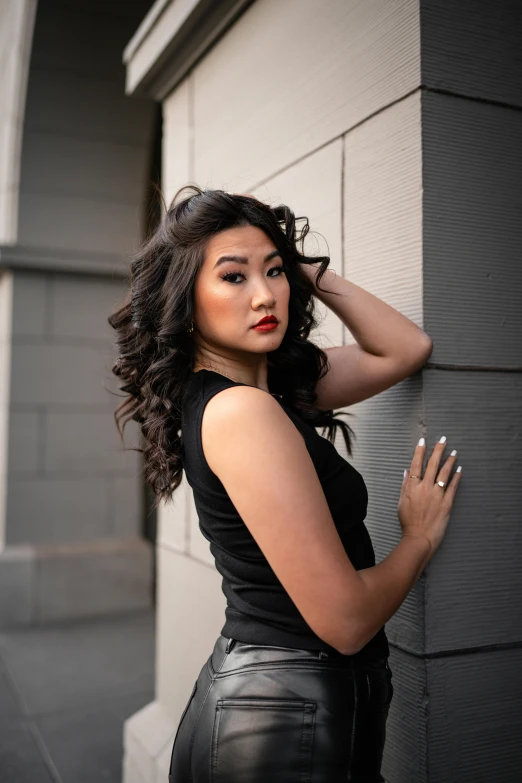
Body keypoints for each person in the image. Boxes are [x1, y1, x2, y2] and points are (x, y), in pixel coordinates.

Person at [108, 186, 462, 782]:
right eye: (233, 277)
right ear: (184, 298)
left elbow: (404, 349)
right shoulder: (242, 412)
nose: (265, 294)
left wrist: (302, 268)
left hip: (271, 706)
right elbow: (345, 622)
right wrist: (419, 539)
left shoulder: (264, 391)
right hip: (285, 726)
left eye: (273, 271)